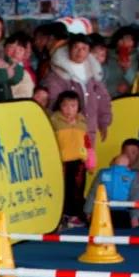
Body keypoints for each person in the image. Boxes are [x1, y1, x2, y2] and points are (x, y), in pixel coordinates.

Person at [50, 90, 89, 225]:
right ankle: (63, 215)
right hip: (63, 162)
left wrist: (89, 158)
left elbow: (87, 142)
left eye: (73, 106)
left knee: (78, 189)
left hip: (79, 161)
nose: (69, 109)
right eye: (65, 105)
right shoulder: (54, 121)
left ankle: (75, 215)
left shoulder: (82, 121)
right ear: (59, 106)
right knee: (63, 190)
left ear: (78, 107)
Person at [83, 153, 139, 229]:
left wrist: (88, 211)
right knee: (123, 234)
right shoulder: (133, 175)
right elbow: (135, 197)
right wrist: (134, 217)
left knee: (100, 233)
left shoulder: (103, 173)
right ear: (128, 166)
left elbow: (93, 193)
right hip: (123, 213)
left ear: (112, 163)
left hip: (103, 212)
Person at [4, 31, 35, 99]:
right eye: (12, 47)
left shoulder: (25, 76)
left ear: (24, 54)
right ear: (4, 48)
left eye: (20, 50)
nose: (15, 52)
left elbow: (24, 100)